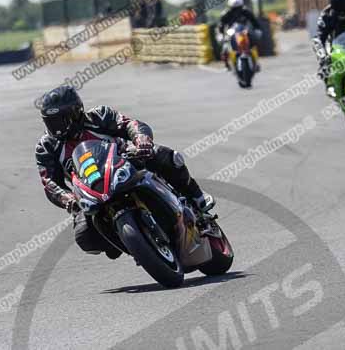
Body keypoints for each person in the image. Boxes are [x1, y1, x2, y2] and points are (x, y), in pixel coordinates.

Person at [34, 85, 215, 258]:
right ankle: (121, 240)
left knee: (165, 156)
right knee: (84, 236)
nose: (55, 127)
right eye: (50, 122)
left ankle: (196, 196)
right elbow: (49, 182)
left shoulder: (100, 116)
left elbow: (130, 124)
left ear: (75, 112)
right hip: (89, 189)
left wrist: (141, 139)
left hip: (125, 164)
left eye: (60, 120)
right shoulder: (46, 146)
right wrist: (68, 199)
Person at [217, 0, 262, 71]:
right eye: (234, 9)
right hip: (231, 32)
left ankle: (256, 63)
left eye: (238, 8)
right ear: (230, 7)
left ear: (241, 6)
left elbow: (254, 21)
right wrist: (221, 34)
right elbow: (221, 25)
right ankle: (226, 65)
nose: (237, 11)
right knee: (225, 47)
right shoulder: (226, 14)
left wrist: (257, 30)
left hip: (244, 31)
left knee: (254, 43)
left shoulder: (246, 12)